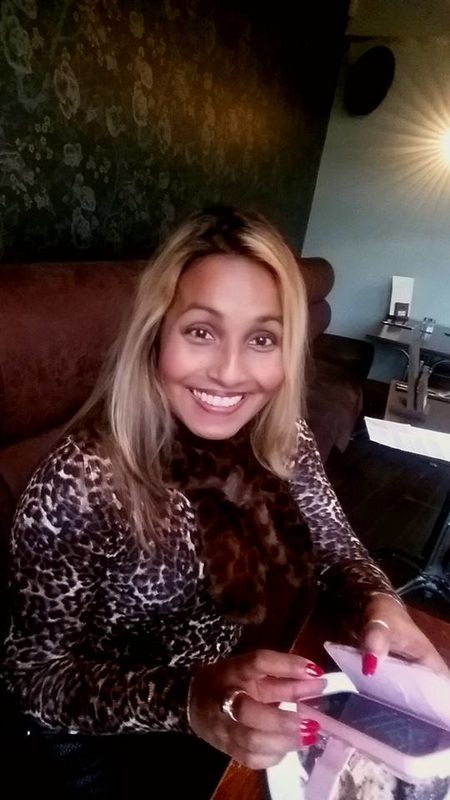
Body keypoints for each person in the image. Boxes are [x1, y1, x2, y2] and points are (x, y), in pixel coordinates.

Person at [1, 204, 448, 799]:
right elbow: (33, 680)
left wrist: (379, 602)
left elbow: (333, 545)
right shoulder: (76, 484)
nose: (231, 373)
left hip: (223, 700)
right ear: (156, 332)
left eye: (262, 338)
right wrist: (189, 700)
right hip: (93, 739)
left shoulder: (276, 437)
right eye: (202, 331)